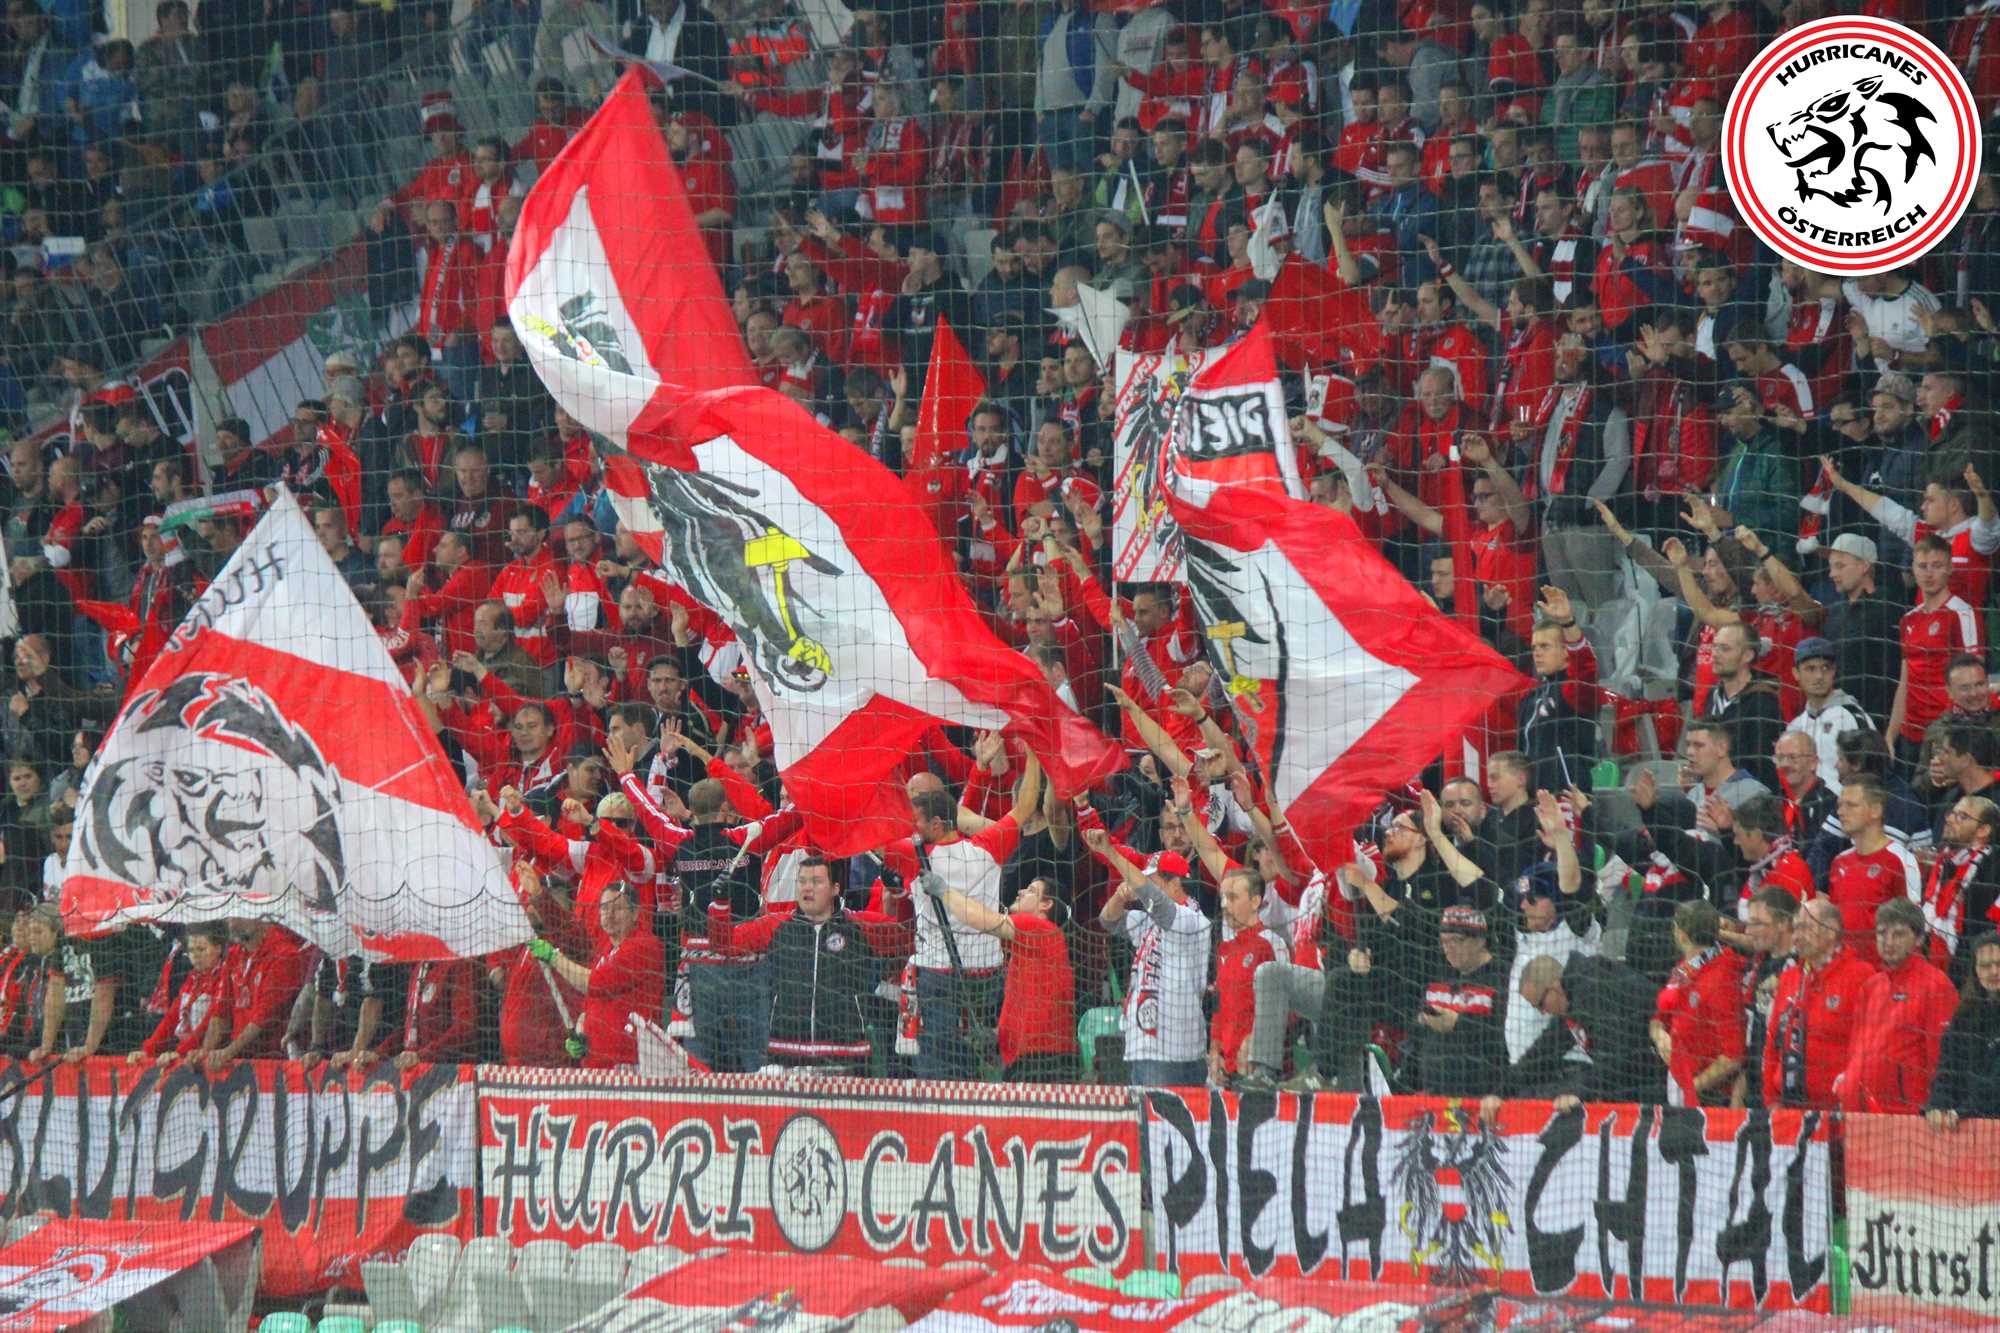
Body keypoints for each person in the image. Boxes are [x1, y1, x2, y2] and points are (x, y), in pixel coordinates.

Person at [719, 856, 909, 1072]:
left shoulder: (861, 926)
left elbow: (907, 936)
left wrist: (900, 895)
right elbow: (723, 945)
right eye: (802, 881)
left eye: (816, 881)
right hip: (786, 1058)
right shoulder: (775, 926)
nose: (807, 887)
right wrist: (720, 903)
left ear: (835, 888)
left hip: (847, 1059)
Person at [1090, 820, 1210, 1087]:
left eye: (1152, 881)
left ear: (1175, 883)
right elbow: (1108, 921)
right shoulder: (1150, 921)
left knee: (1161, 1113)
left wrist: (1110, 853)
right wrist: (1119, 897)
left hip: (1172, 1050)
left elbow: (1153, 898)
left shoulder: (1190, 918)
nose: (1144, 887)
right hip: (1145, 1044)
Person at [928, 875, 1078, 1082]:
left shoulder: (1039, 928)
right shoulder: (1033, 943)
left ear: (1046, 904)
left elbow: (984, 920)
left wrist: (944, 892)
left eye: (1031, 890)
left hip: (1042, 1060)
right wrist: (996, 1034)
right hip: (1034, 1057)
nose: (1020, 892)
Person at [528, 880, 663, 1069]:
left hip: (630, 1065)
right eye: (605, 908)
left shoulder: (643, 946)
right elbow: (591, 1002)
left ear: (635, 913)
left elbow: (595, 984)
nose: (610, 915)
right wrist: (581, 1032)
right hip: (598, 1063)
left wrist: (554, 957)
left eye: (618, 908)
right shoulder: (606, 947)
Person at [1842, 897, 1958, 1114]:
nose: (1888, 941)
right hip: (1860, 1112)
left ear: (1919, 938)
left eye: (1898, 934)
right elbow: (1854, 1052)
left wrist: (1936, 1105)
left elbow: (1941, 1057)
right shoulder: (1871, 986)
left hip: (1907, 1116)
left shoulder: (1936, 985)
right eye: (1882, 933)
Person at [1765, 896, 1877, 1109]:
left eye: (1805, 928)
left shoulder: (1861, 976)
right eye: (1795, 929)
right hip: (1787, 1109)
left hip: (1836, 1111)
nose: (1796, 937)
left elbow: (1868, 1049)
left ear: (1831, 930)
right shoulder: (1789, 978)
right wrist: (1771, 1099)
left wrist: (1850, 1101)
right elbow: (1772, 1042)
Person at [1650, 900, 1746, 1106]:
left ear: (1681, 934)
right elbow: (1659, 1017)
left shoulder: (1722, 978)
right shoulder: (1683, 970)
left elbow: (1733, 1057)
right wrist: (1659, 1036)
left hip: (1710, 1098)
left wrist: (1692, 1088)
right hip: (1679, 1084)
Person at [1824, 776, 1922, 969]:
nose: (1841, 812)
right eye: (1840, 805)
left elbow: (1913, 925)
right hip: (1845, 973)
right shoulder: (1839, 862)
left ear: (1876, 810)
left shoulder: (1900, 860)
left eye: (1851, 805)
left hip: (1883, 974)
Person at [1208, 867, 1281, 1089]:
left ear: (1255, 901)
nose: (1224, 905)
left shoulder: (1270, 943)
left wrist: (1255, 1041)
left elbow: (1287, 1008)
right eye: (1223, 898)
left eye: (1232, 898)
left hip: (1259, 1070)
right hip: (1227, 1070)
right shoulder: (1225, 949)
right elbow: (1219, 1007)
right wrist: (1215, 1051)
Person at [1926, 935, 2000, 1125]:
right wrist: (1937, 1104)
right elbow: (1948, 1066)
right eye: (1985, 965)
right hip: (1966, 1124)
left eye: (1999, 964)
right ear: (1975, 970)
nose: (1994, 971)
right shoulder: (1964, 1015)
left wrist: (1964, 1110)